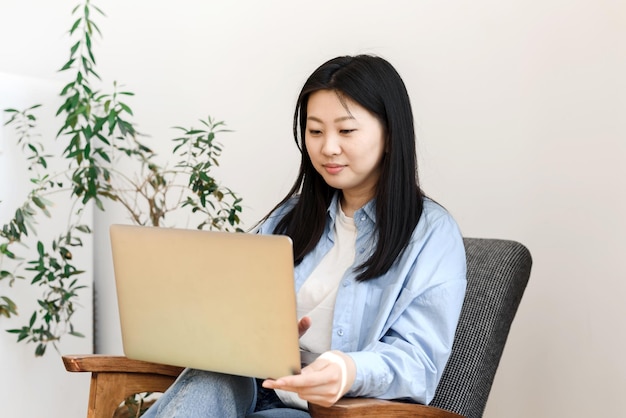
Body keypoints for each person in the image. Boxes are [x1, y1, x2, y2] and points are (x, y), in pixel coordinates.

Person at [143, 54, 467, 418]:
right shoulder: (288, 219)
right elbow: (230, 305)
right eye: (315, 131)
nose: (327, 147)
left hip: (331, 410)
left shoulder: (431, 235)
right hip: (256, 388)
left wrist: (347, 370)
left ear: (390, 135)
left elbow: (418, 362)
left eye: (346, 131)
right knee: (211, 378)